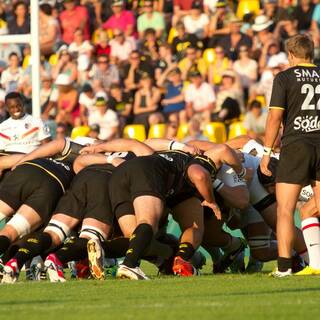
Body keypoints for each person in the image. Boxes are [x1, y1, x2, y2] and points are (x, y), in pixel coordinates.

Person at [260, 34, 320, 277]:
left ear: (292, 56)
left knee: (285, 210)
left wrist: (266, 152)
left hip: (296, 145)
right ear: (312, 53)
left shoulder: (284, 77)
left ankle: (284, 267)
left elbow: (275, 117)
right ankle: (316, 262)